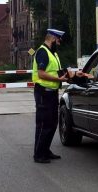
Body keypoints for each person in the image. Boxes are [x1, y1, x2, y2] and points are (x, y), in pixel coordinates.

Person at [32, 28, 67, 163]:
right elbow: (41, 74)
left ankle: (45, 150)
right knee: (43, 124)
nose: (59, 41)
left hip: (52, 93)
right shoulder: (42, 52)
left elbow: (55, 72)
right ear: (52, 38)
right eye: (58, 39)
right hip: (43, 93)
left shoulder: (53, 53)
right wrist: (59, 80)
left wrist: (70, 75)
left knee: (52, 123)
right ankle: (39, 154)